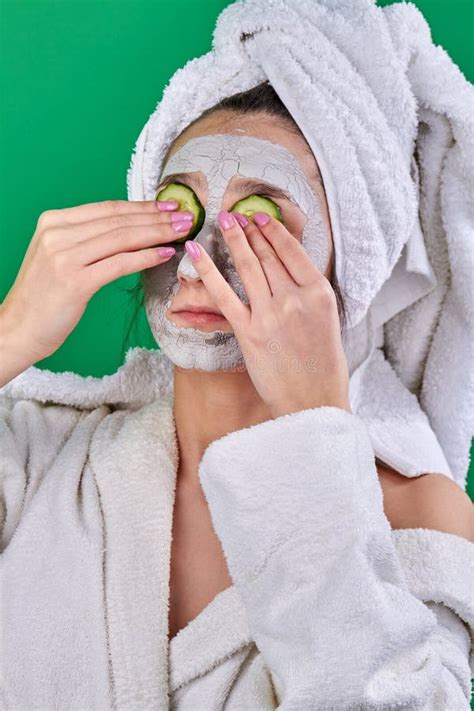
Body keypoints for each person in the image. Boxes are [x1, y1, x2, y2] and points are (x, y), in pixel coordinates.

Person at [1, 78, 473, 709]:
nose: (199, 262)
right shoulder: (38, 455)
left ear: (350, 261)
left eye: (257, 222)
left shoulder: (419, 513)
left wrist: (313, 432)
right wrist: (9, 333)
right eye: (180, 210)